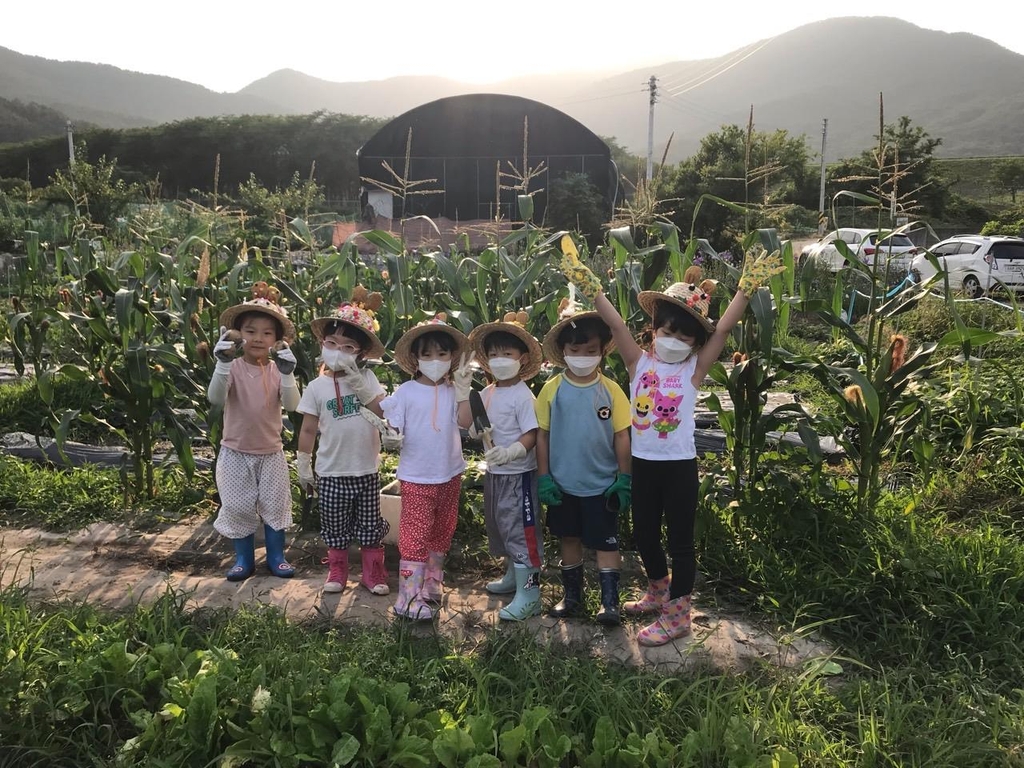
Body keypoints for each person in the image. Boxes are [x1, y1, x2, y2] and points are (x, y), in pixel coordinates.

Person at [559, 235, 784, 645]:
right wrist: (592, 287)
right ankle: (657, 590)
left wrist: (745, 290)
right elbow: (612, 323)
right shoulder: (636, 362)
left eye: (684, 337)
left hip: (679, 466)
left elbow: (726, 327)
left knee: (680, 541)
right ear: (653, 330)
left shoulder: (693, 372)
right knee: (644, 534)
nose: (673, 340)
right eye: (666, 331)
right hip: (643, 465)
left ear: (696, 344)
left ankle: (679, 613)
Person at [535, 297, 632, 626]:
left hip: (602, 486)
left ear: (603, 350)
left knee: (606, 542)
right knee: (569, 539)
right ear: (562, 351)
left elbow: (621, 436)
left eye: (590, 350)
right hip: (564, 484)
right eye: (574, 351)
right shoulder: (551, 390)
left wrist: (624, 478)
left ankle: (610, 601)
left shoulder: (612, 391)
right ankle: (572, 597)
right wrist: (545, 477)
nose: (581, 357)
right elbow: (543, 436)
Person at [296, 287, 392, 596]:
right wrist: (303, 466)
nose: (338, 351)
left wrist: (360, 387)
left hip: (365, 470)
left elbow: (381, 411)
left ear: (360, 354)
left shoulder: (367, 379)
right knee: (335, 527)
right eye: (332, 343)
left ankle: (372, 573)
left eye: (348, 347)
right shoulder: (315, 387)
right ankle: (337, 570)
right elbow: (309, 429)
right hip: (331, 472)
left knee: (370, 526)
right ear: (322, 344)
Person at [380, 314, 475, 620]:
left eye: (442, 354)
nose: (435, 360)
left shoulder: (454, 391)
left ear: (452, 358)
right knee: (415, 533)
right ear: (416, 359)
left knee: (442, 529)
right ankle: (407, 597)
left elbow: (465, 423)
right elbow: (393, 428)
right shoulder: (406, 392)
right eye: (427, 354)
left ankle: (431, 583)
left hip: (449, 472)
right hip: (417, 475)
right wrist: (388, 429)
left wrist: (463, 392)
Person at [209, 282, 301, 581]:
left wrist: (288, 375)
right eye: (250, 331)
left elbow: (292, 404)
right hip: (235, 452)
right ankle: (243, 559)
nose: (258, 338)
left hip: (271, 452)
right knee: (237, 506)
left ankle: (276, 557)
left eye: (266, 333)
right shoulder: (232, 367)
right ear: (236, 335)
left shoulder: (277, 370)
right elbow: (216, 398)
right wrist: (221, 365)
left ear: (277, 339)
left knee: (275, 506)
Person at [466, 311, 544, 621]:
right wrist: (463, 397)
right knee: (501, 526)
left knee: (522, 533)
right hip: (495, 475)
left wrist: (513, 451)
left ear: (522, 358)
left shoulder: (523, 396)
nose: (500, 359)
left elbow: (532, 434)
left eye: (507, 353)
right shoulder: (487, 393)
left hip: (519, 475)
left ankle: (531, 592)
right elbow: (472, 426)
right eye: (494, 354)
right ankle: (513, 576)